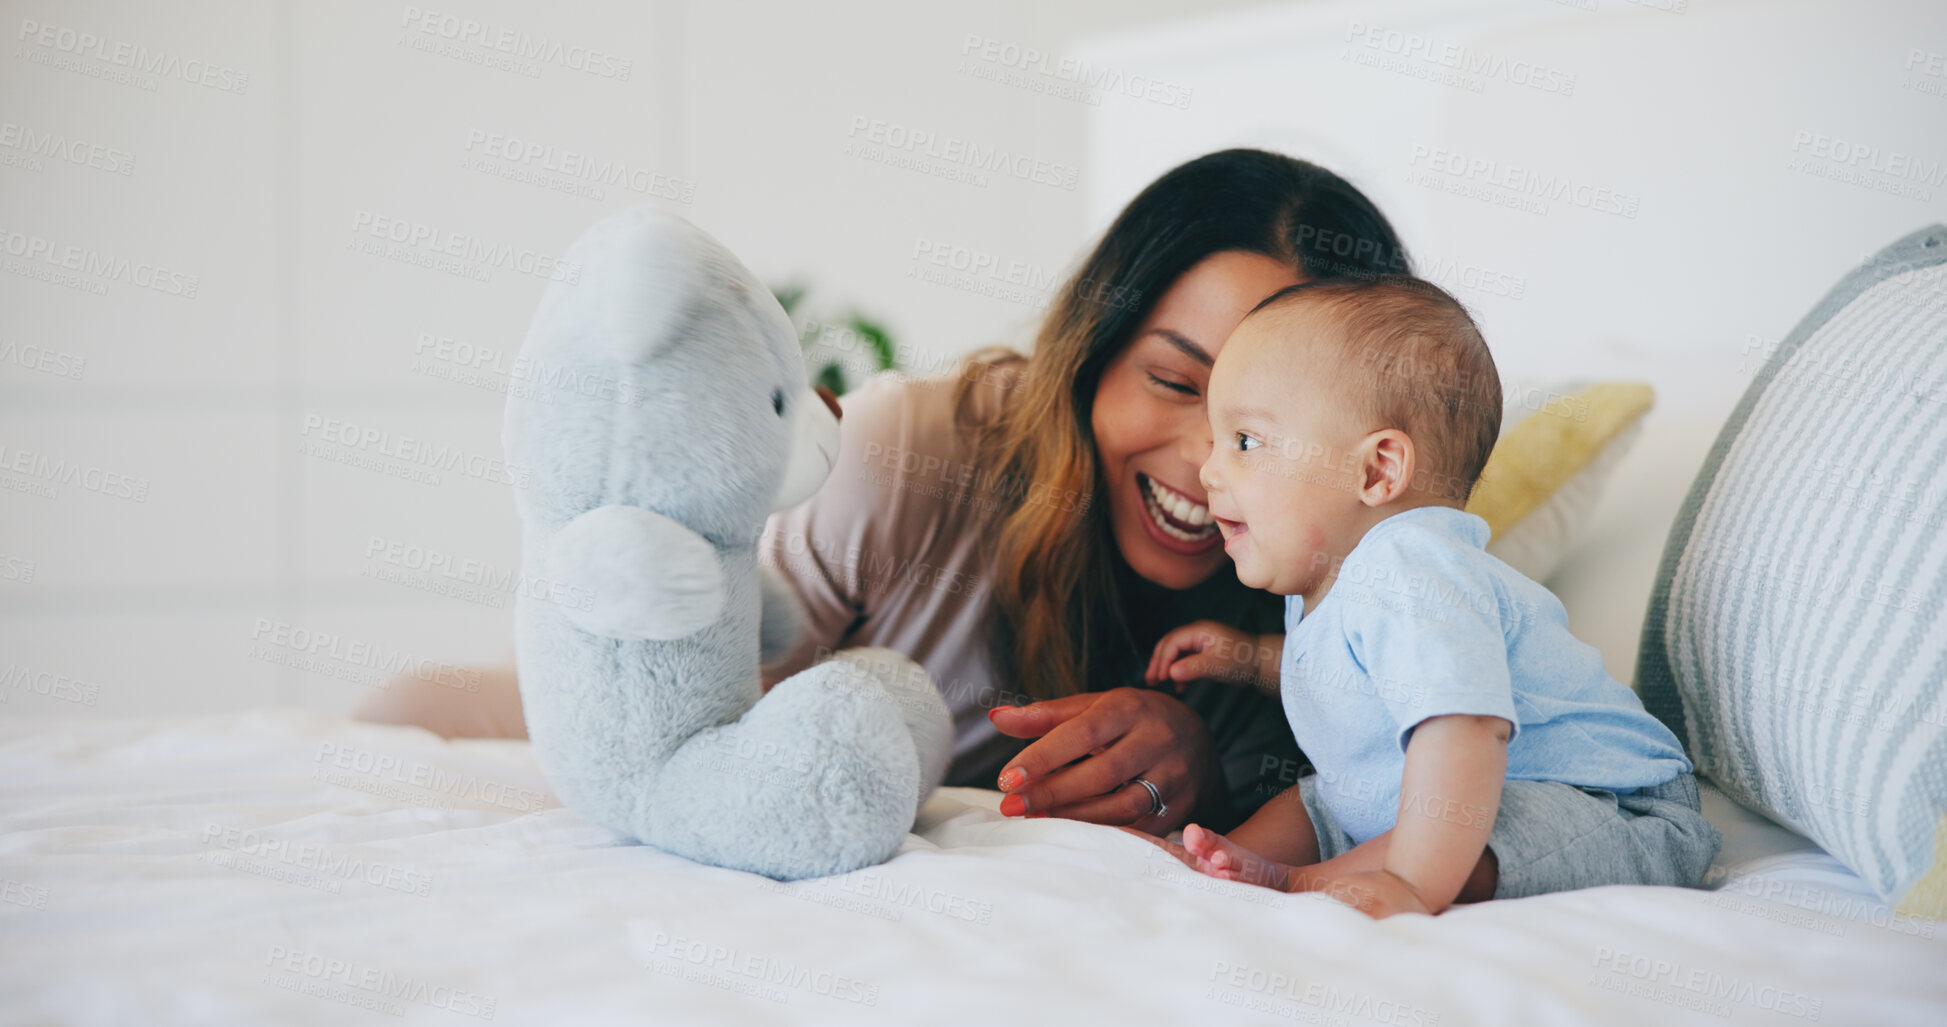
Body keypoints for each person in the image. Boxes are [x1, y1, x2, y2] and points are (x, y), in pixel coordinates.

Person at [355, 148, 1413, 835]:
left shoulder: (1370, 584)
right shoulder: (908, 451)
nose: (1203, 460)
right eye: (1174, 381)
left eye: (1262, 429)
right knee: (391, 717)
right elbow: (700, 717)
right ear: (1094, 352)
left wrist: (1205, 769)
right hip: (662, 699)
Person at [1145, 276, 1720, 914]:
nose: (1208, 469)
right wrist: (1252, 657)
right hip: (1444, 802)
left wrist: (1412, 883)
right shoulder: (1332, 579)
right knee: (1326, 799)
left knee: (1481, 822)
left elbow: (1464, 725)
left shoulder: (1413, 567)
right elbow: (1358, 677)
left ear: (1377, 470)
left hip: (1606, 803)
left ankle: (1316, 880)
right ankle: (1227, 862)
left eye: (1245, 442)